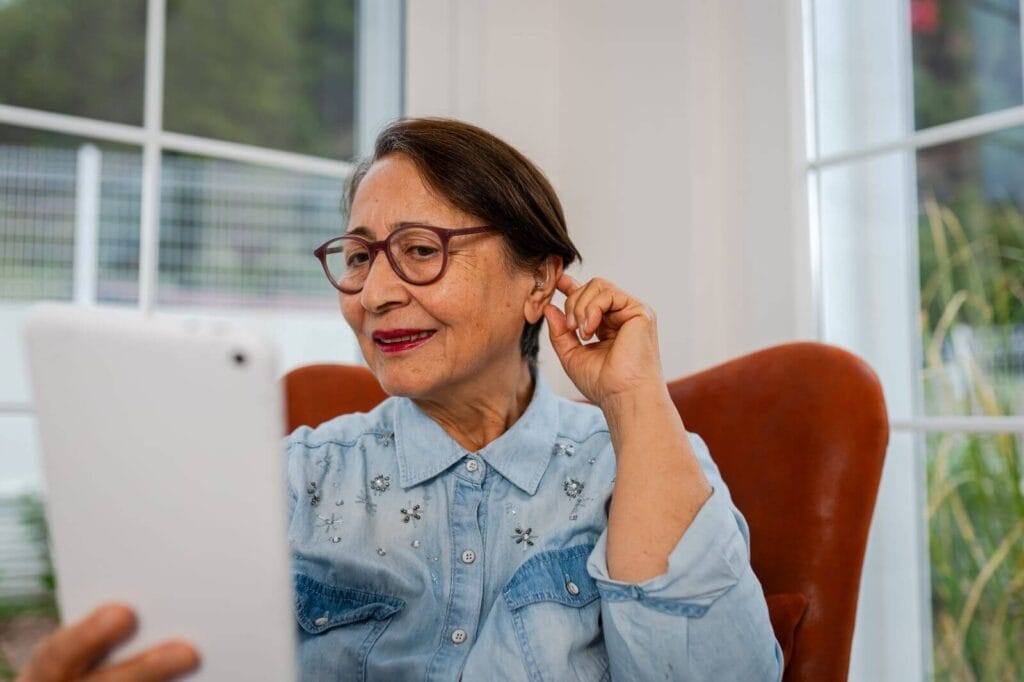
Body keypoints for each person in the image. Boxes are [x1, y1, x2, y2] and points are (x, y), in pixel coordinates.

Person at [18, 118, 782, 681]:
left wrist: (636, 397)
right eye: (357, 258)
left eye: (421, 251)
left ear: (539, 283)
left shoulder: (641, 466)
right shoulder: (288, 483)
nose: (374, 295)